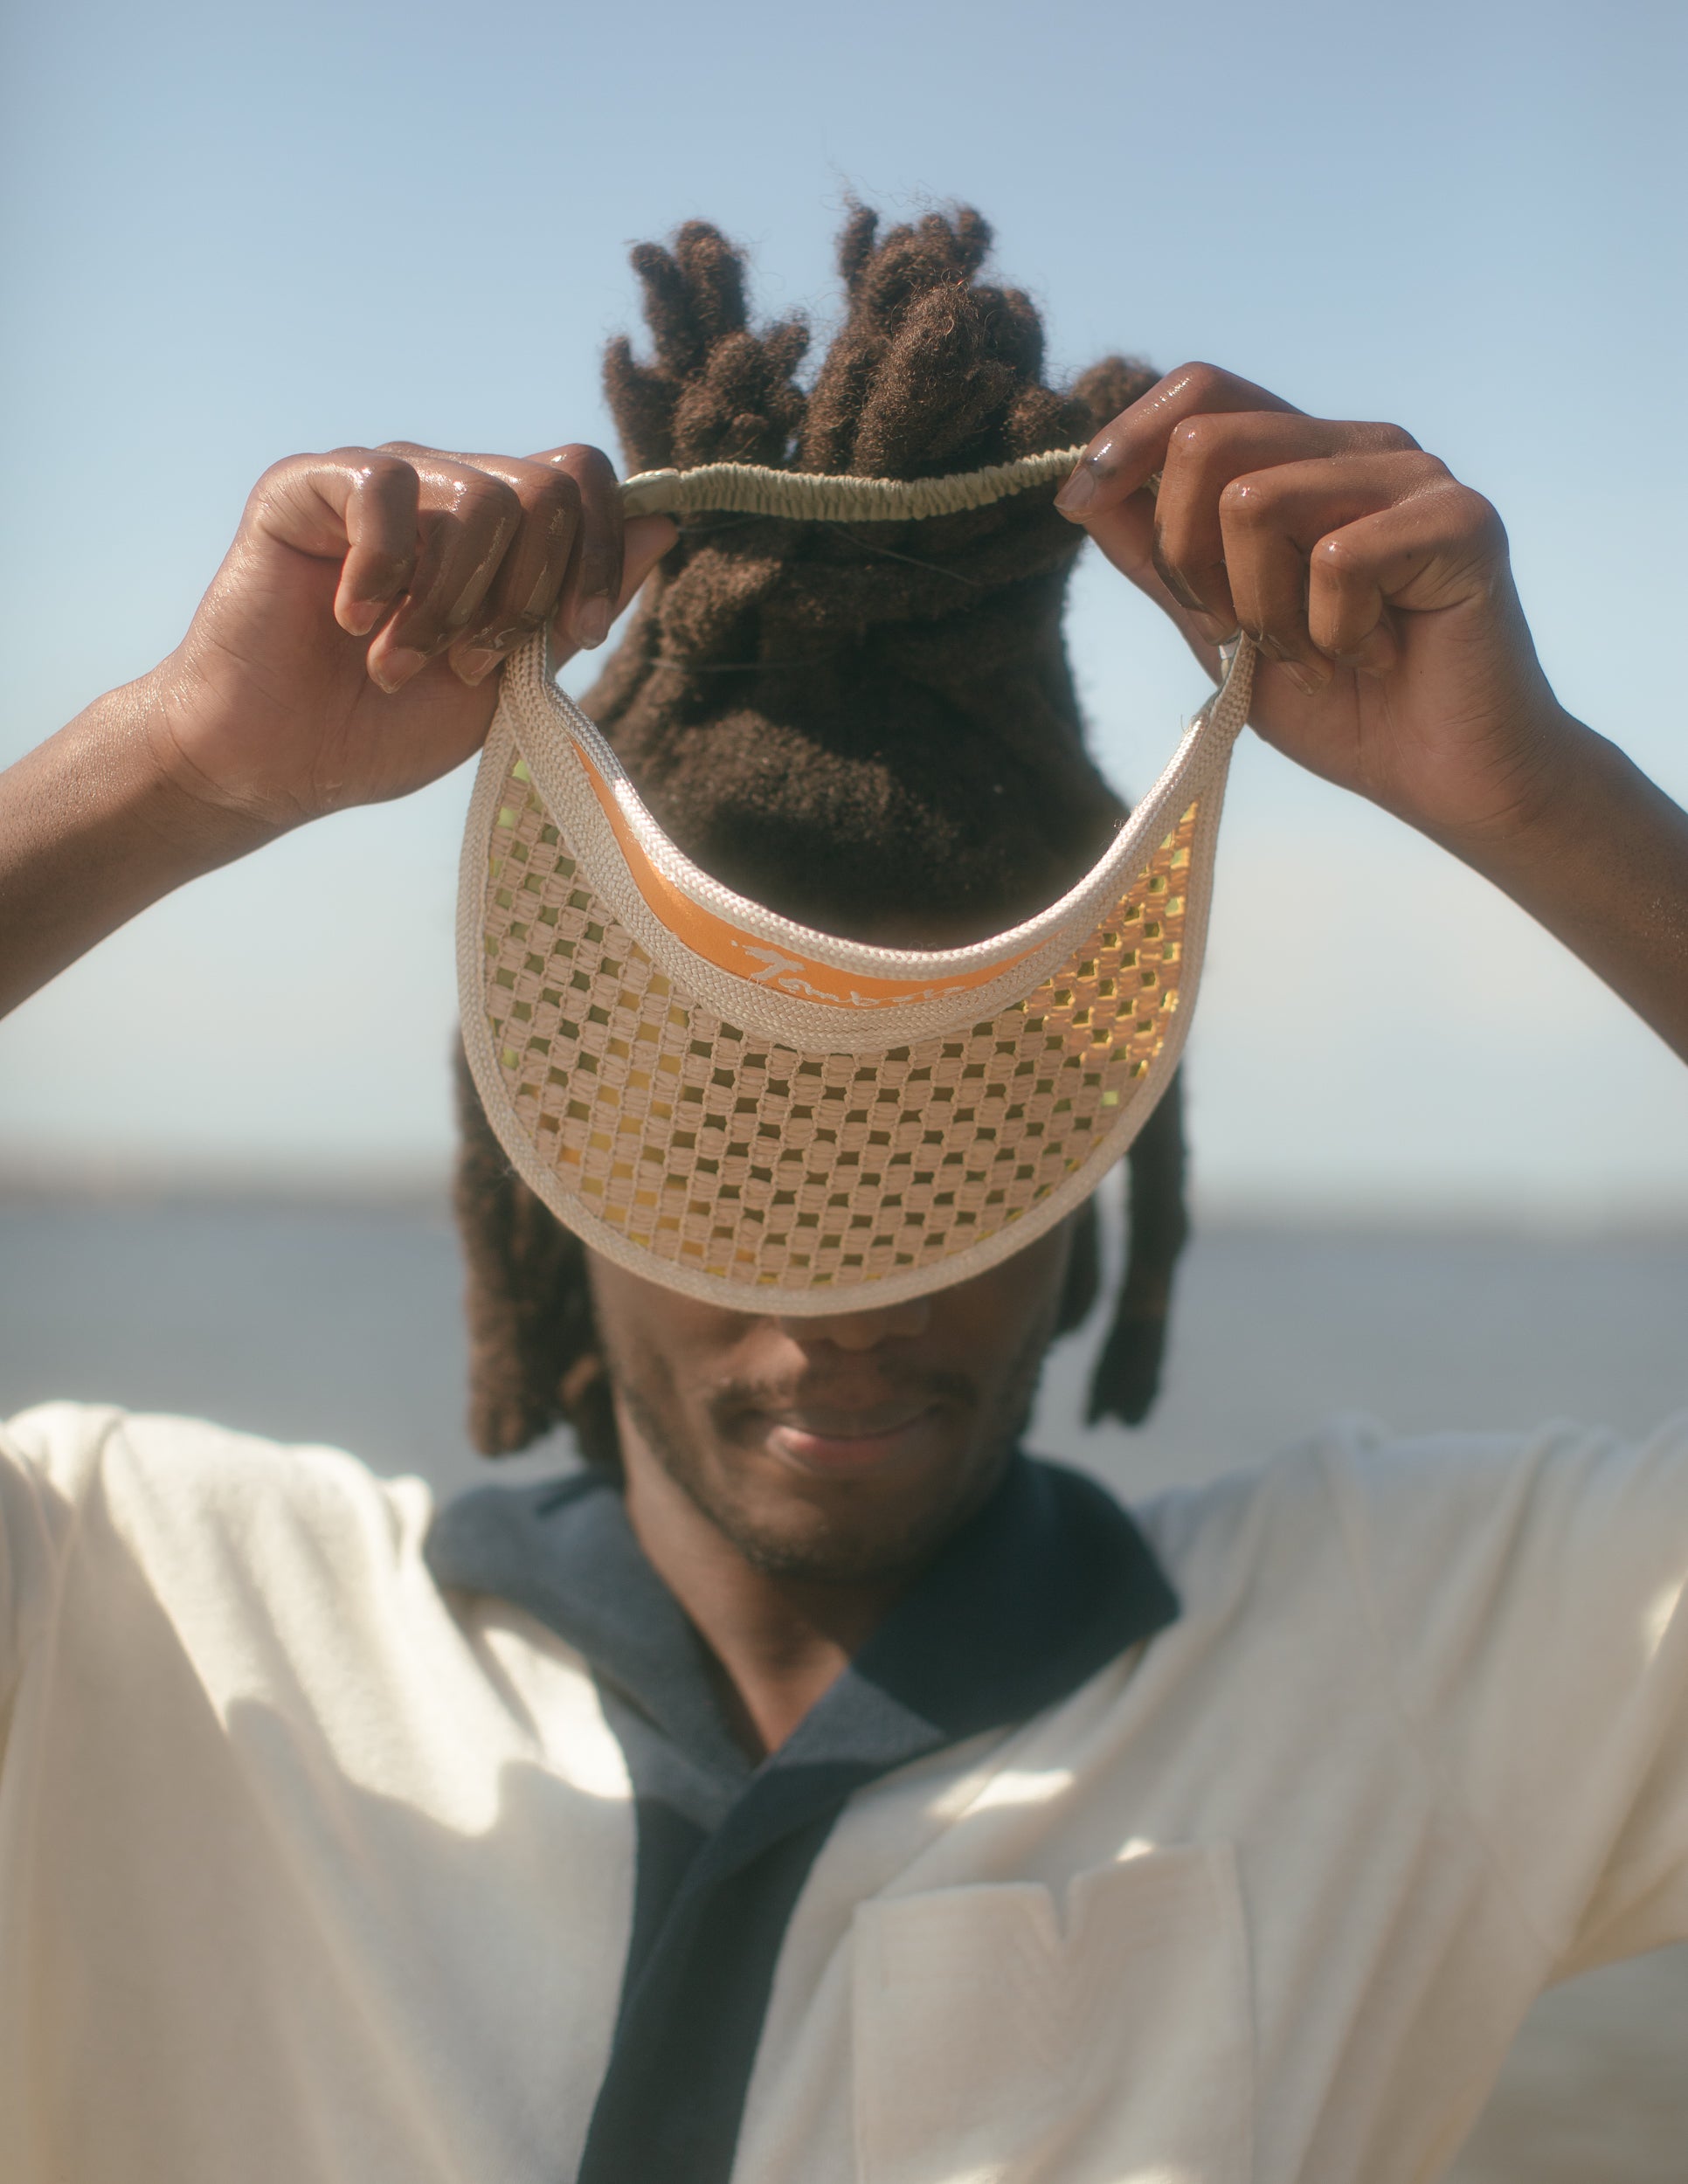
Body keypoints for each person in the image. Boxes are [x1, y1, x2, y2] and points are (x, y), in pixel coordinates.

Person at [1, 207, 1685, 2184]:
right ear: (553, 1161)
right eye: (732, 1153)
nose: (845, 1301)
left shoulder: (1417, 1663)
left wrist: (1546, 794)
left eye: (942, 1156)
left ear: (1095, 1155)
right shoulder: (142, 1623)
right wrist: (176, 767)